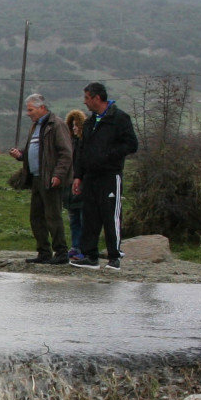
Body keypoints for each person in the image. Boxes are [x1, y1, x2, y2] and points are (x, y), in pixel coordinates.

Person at [71, 82, 139, 270]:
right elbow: (82, 150)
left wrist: (109, 154)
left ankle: (114, 257)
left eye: (87, 98)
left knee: (111, 215)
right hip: (90, 176)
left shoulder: (119, 119)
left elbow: (132, 145)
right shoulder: (90, 123)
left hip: (110, 175)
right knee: (90, 216)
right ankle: (90, 256)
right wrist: (78, 175)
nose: (85, 102)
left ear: (97, 98)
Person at [9, 93, 73, 264]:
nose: (28, 113)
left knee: (53, 216)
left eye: (31, 110)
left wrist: (58, 175)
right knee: (36, 217)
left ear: (42, 108)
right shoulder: (35, 126)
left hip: (50, 178)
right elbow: (34, 150)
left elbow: (66, 153)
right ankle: (43, 252)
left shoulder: (56, 125)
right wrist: (21, 155)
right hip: (36, 178)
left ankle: (61, 252)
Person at [64, 109, 87, 259]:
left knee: (83, 217)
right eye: (72, 126)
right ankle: (75, 246)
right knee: (74, 218)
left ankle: (83, 248)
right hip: (70, 184)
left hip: (83, 184)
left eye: (76, 125)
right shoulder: (70, 142)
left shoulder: (85, 142)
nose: (74, 128)